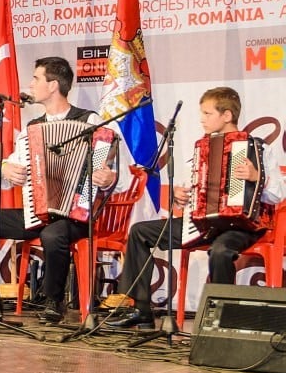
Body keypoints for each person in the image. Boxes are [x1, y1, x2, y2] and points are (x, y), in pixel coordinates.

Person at [0, 57, 126, 322]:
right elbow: (11, 168)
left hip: (77, 215)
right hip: (38, 212)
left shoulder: (91, 122)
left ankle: (54, 300)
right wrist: (6, 171)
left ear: (52, 86)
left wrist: (107, 177)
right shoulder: (32, 129)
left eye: (36, 78)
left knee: (53, 234)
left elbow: (110, 168)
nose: (30, 84)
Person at [110, 87, 286, 328]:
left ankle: (223, 318)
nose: (202, 119)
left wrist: (257, 177)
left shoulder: (259, 148)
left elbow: (277, 194)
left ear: (226, 115)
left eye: (207, 113)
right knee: (141, 232)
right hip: (202, 222)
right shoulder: (201, 148)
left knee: (221, 250)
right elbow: (191, 187)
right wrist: (181, 196)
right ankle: (141, 310)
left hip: (242, 225)